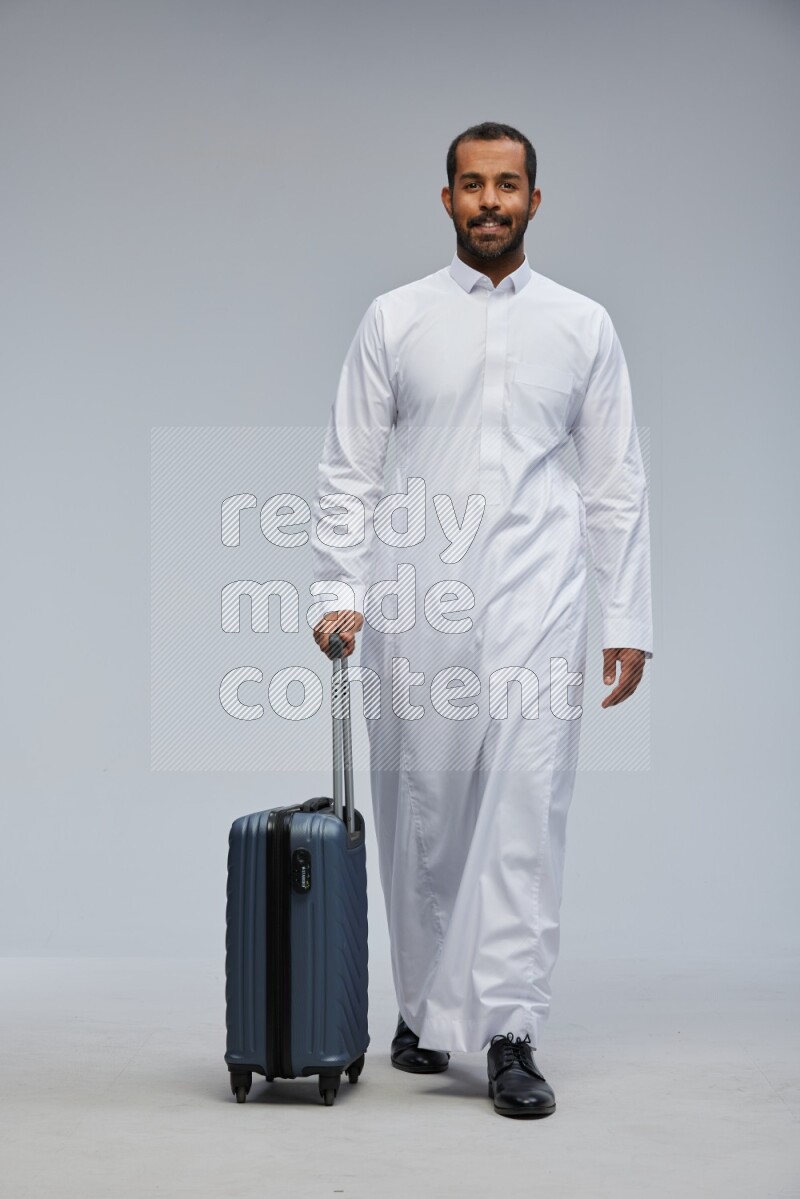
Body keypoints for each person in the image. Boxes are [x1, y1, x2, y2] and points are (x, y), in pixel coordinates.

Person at [311, 121, 653, 1119]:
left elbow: (615, 479)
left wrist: (625, 614)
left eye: (507, 185)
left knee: (524, 811)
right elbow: (348, 465)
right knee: (428, 808)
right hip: (420, 596)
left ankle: (509, 1029)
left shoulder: (582, 325)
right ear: (447, 198)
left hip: (543, 595)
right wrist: (337, 588)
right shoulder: (396, 318)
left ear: (534, 200)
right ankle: (422, 1006)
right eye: (472, 184)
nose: (490, 201)